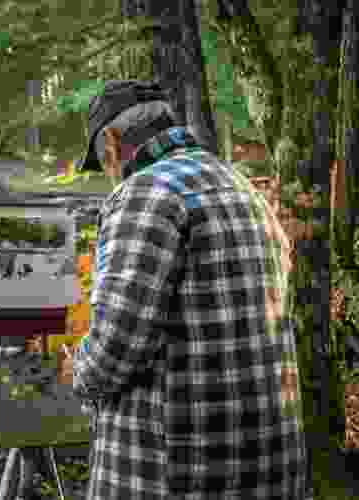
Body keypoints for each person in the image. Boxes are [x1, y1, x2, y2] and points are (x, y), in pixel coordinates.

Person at [64, 80, 313, 499]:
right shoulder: (242, 187)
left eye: (102, 163)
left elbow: (114, 350)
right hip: (269, 467)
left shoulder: (145, 193)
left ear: (110, 143)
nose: (108, 176)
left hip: (176, 475)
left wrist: (78, 371)